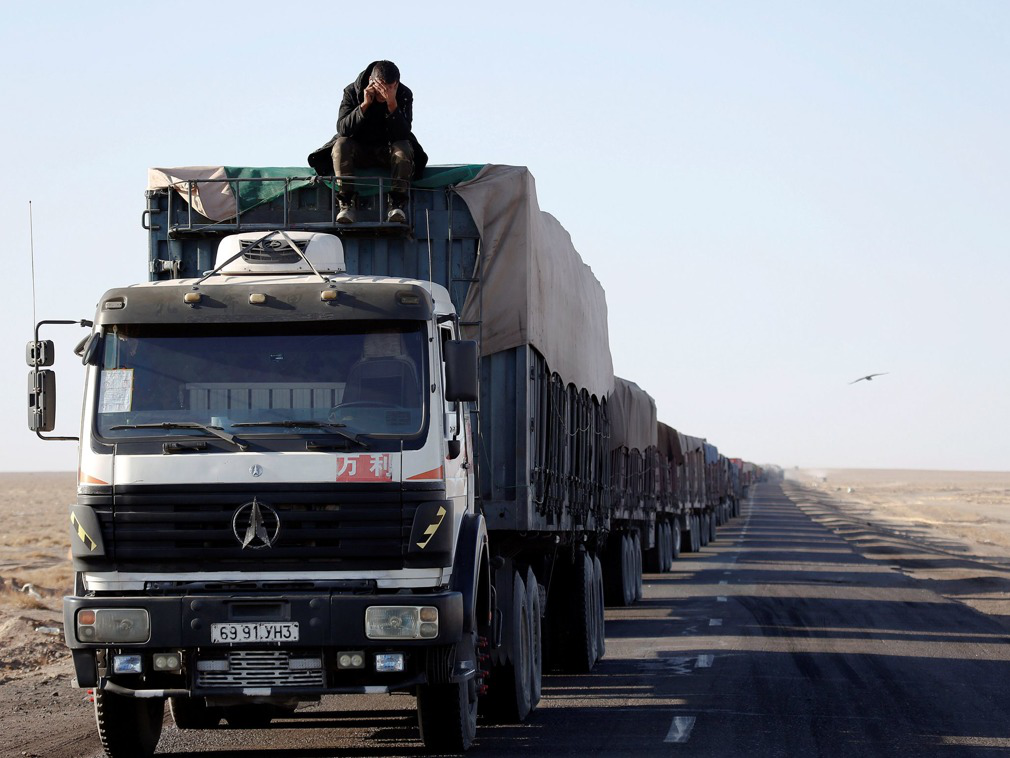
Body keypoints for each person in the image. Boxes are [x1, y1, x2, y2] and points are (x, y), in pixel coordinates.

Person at [307, 60, 428, 224]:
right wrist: (364, 105)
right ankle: (347, 204)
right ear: (371, 80)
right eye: (380, 89)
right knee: (341, 145)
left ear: (396, 84)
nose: (382, 94)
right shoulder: (352, 91)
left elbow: (403, 133)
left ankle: (397, 205)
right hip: (358, 150)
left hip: (388, 150)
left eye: (388, 89)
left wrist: (392, 104)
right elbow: (343, 128)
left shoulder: (404, 94)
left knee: (403, 147)